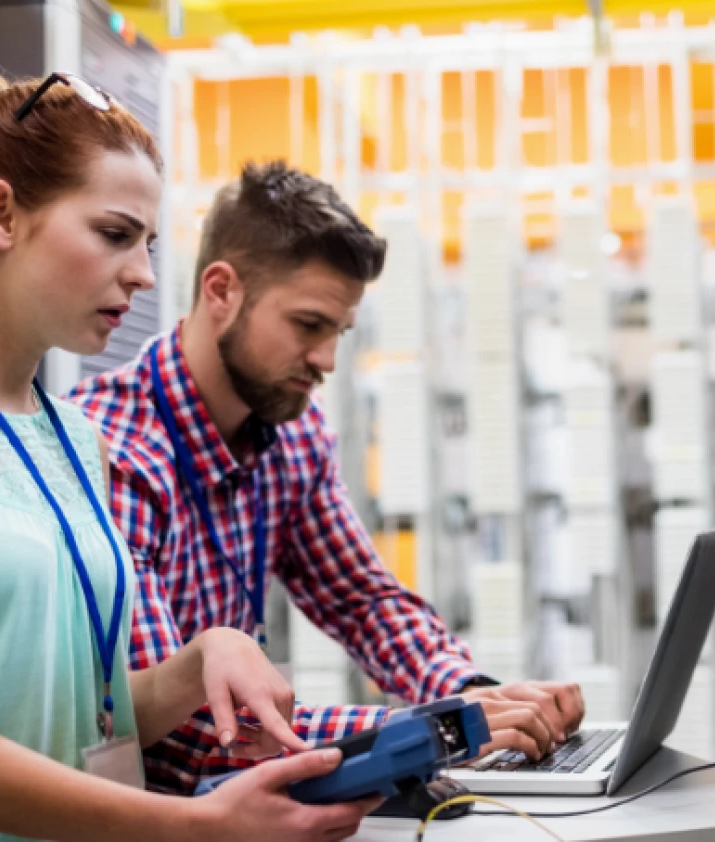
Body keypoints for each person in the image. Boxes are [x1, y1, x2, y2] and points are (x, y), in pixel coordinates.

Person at [0, 69, 380, 841]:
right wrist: (194, 828)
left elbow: (82, 714)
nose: (143, 274)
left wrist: (199, 662)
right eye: (114, 234)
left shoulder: (76, 437)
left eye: (149, 243)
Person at [67, 160, 586, 794]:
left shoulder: (291, 432)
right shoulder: (112, 451)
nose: (327, 361)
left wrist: (472, 692)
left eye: (339, 332)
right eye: (308, 326)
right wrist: (436, 734)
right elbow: (176, 730)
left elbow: (360, 600)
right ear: (222, 290)